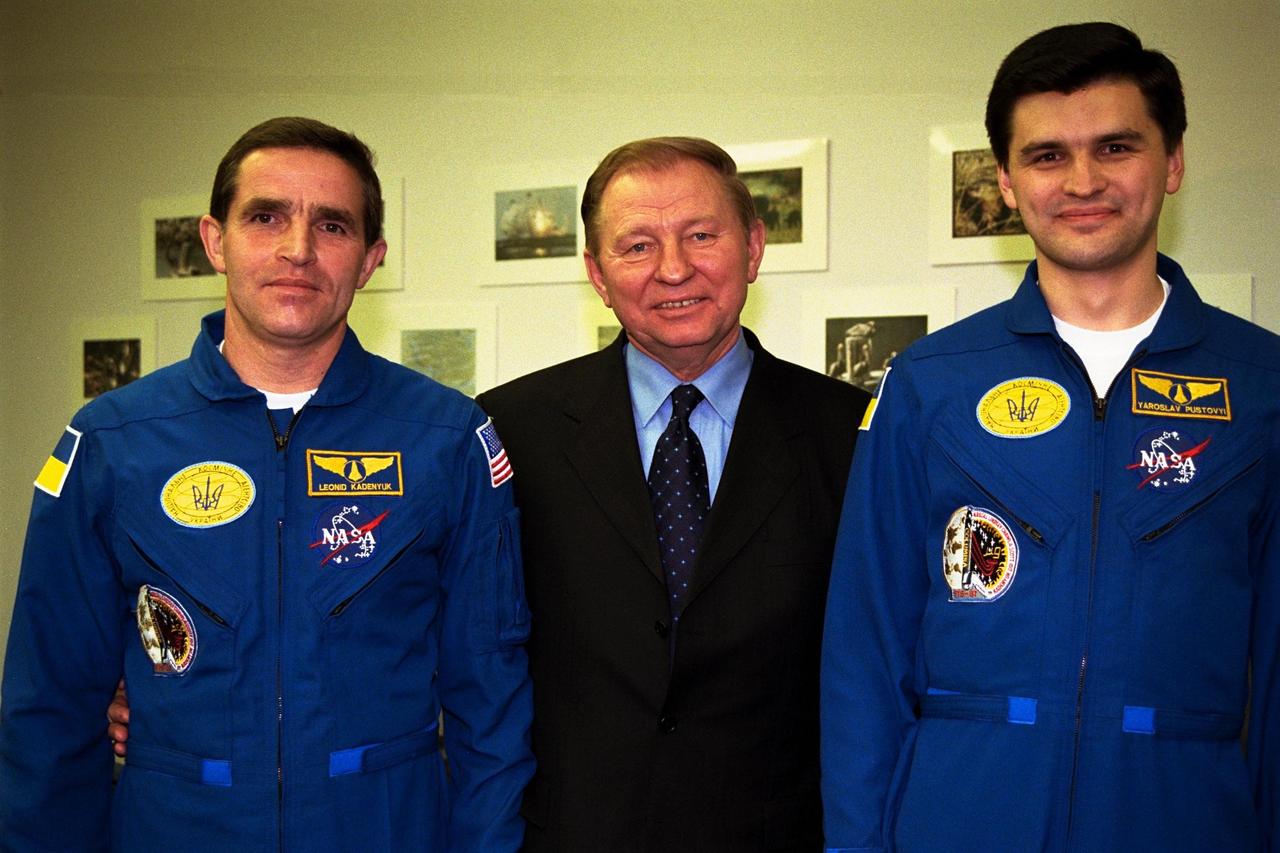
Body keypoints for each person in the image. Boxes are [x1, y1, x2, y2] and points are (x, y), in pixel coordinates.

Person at [0, 117, 533, 851]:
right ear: (215, 240)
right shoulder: (111, 442)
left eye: (333, 225)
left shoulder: (446, 439)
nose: (298, 249)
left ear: (371, 259)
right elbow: (48, 710)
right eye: (266, 217)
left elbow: (492, 708)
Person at [820, 22, 1280, 852]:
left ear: (1173, 162)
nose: (1082, 181)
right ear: (1005, 180)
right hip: (962, 818)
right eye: (1046, 156)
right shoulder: (930, 382)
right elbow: (864, 652)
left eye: (1115, 147)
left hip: (1180, 817)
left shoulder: (1262, 385)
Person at [477, 137, 868, 851]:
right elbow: (481, 666)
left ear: (753, 248)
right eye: (637, 246)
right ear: (597, 274)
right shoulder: (510, 430)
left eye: (701, 235)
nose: (674, 268)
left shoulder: (854, 434)